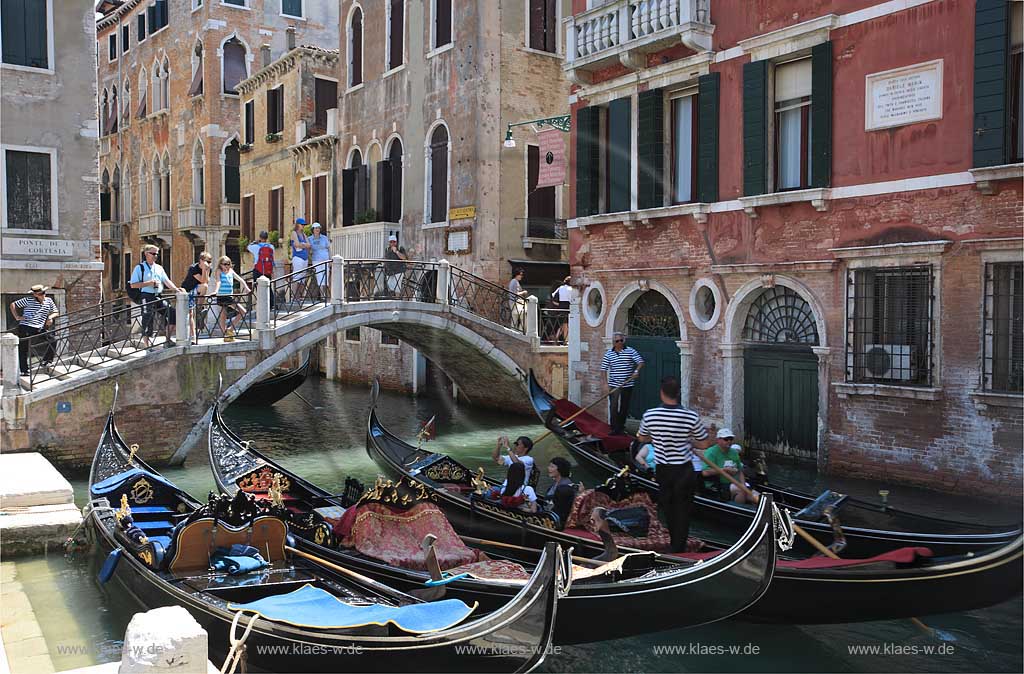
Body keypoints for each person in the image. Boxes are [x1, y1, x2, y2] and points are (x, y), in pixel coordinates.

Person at [636, 375, 713, 553]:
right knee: (683, 509)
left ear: (662, 393)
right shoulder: (690, 416)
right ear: (678, 394)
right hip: (684, 470)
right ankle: (680, 545)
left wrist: (655, 437)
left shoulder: (651, 414)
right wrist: (689, 442)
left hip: (663, 469)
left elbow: (641, 437)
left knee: (669, 507)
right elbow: (704, 443)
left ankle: (674, 544)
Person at [129, 244, 180, 348]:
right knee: (147, 320)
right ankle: (148, 347)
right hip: (146, 296)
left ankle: (168, 340)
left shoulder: (159, 268)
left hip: (158, 296)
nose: (155, 256)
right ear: (146, 254)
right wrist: (149, 283)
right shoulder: (140, 268)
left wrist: (176, 289)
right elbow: (133, 285)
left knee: (172, 314)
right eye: (153, 253)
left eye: (157, 254)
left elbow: (166, 281)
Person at [600, 331, 644, 434]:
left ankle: (620, 427)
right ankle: (613, 428)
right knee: (614, 406)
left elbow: (640, 362)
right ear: (613, 342)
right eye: (617, 341)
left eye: (621, 340)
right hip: (614, 384)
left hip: (627, 384)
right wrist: (605, 384)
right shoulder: (609, 354)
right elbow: (603, 370)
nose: (620, 342)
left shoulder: (630, 351)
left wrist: (636, 371)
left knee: (624, 406)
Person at [10, 284, 58, 375]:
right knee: (23, 348)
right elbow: (13, 305)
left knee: (52, 340)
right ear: (35, 295)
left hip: (39, 327)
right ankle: (24, 370)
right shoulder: (28, 300)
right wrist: (17, 317)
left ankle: (47, 360)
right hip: (26, 326)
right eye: (41, 294)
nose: (43, 295)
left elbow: (55, 312)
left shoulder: (49, 300)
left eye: (44, 293)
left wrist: (50, 318)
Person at [701, 428, 756, 505]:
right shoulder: (711, 452)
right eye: (726, 439)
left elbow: (740, 471)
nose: (729, 441)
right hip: (717, 484)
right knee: (741, 490)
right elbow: (705, 473)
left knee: (755, 495)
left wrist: (743, 485)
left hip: (733, 483)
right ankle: (738, 511)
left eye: (731, 439)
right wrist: (724, 470)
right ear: (718, 440)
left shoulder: (733, 452)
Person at [209, 256, 251, 339]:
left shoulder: (231, 271)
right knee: (223, 315)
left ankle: (230, 329)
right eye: (225, 264)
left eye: (228, 264)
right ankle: (225, 333)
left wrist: (247, 288)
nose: (227, 266)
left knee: (243, 311)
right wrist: (216, 291)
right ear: (220, 264)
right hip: (221, 295)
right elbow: (218, 281)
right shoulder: (219, 271)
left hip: (229, 296)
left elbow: (240, 280)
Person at [181, 252, 212, 342]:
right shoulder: (193, 268)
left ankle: (199, 308)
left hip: (197, 290)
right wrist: (204, 270)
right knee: (190, 314)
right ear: (201, 261)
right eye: (207, 261)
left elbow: (206, 282)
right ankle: (193, 336)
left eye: (210, 262)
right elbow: (202, 280)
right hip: (187, 290)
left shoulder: (209, 268)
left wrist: (207, 270)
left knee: (205, 286)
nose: (209, 264)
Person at [543, 457, 577, 528]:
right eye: (549, 466)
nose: (549, 468)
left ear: (560, 469)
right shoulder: (556, 483)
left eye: (552, 467)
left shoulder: (565, 486)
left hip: (555, 519)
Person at [289, 218, 311, 301]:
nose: (303, 226)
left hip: (305, 258)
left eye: (304, 225)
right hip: (298, 258)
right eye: (302, 225)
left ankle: (300, 295)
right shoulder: (294, 233)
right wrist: (303, 245)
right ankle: (295, 296)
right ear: (297, 225)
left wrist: (302, 244)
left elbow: (309, 245)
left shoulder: (304, 234)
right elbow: (297, 244)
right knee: (297, 277)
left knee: (303, 277)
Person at [308, 222, 331, 298]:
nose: (317, 229)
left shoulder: (324, 238)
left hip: (325, 259)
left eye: (318, 228)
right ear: (313, 230)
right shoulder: (309, 239)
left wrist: (330, 260)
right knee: (319, 276)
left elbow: (328, 249)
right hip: (316, 260)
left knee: (326, 276)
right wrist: (309, 259)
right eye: (316, 228)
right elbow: (308, 250)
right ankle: (322, 295)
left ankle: (326, 295)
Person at [552, 276, 573, 344]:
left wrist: (560, 305)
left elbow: (554, 300)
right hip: (568, 307)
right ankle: (566, 341)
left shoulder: (560, 288)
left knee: (563, 324)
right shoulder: (571, 289)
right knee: (566, 324)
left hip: (561, 308)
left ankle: (556, 338)